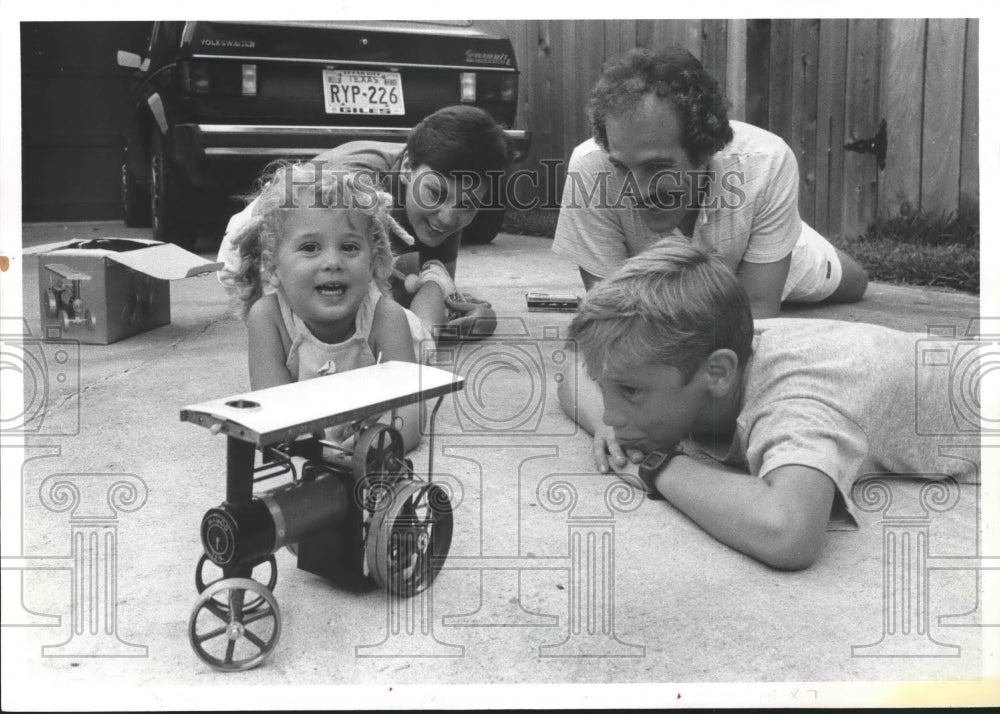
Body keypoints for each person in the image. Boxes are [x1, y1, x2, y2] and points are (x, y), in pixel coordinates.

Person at [559, 240, 978, 570]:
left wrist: (660, 466)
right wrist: (608, 425)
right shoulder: (708, 338)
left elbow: (788, 532)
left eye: (630, 392)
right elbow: (574, 370)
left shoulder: (798, 396)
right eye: (606, 388)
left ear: (719, 373)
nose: (612, 413)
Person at [553, 46, 869, 319]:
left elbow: (756, 312)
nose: (637, 191)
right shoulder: (590, 168)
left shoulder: (767, 161)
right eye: (622, 168)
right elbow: (610, 313)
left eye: (657, 167)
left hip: (758, 253)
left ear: (705, 148)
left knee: (856, 283)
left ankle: (785, 231)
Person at [219, 105, 514, 339]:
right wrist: (428, 302)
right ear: (408, 166)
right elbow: (329, 275)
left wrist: (476, 314)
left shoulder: (441, 203)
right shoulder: (358, 189)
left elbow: (436, 289)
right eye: (436, 194)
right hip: (256, 240)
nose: (448, 217)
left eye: (467, 204)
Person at [229, 163, 433, 451]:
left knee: (428, 324)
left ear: (372, 261)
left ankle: (433, 284)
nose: (333, 262)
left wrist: (373, 446)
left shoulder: (386, 317)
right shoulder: (267, 318)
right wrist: (317, 444)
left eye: (349, 247)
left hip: (414, 338)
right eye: (310, 248)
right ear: (274, 267)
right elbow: (273, 411)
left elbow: (411, 411)